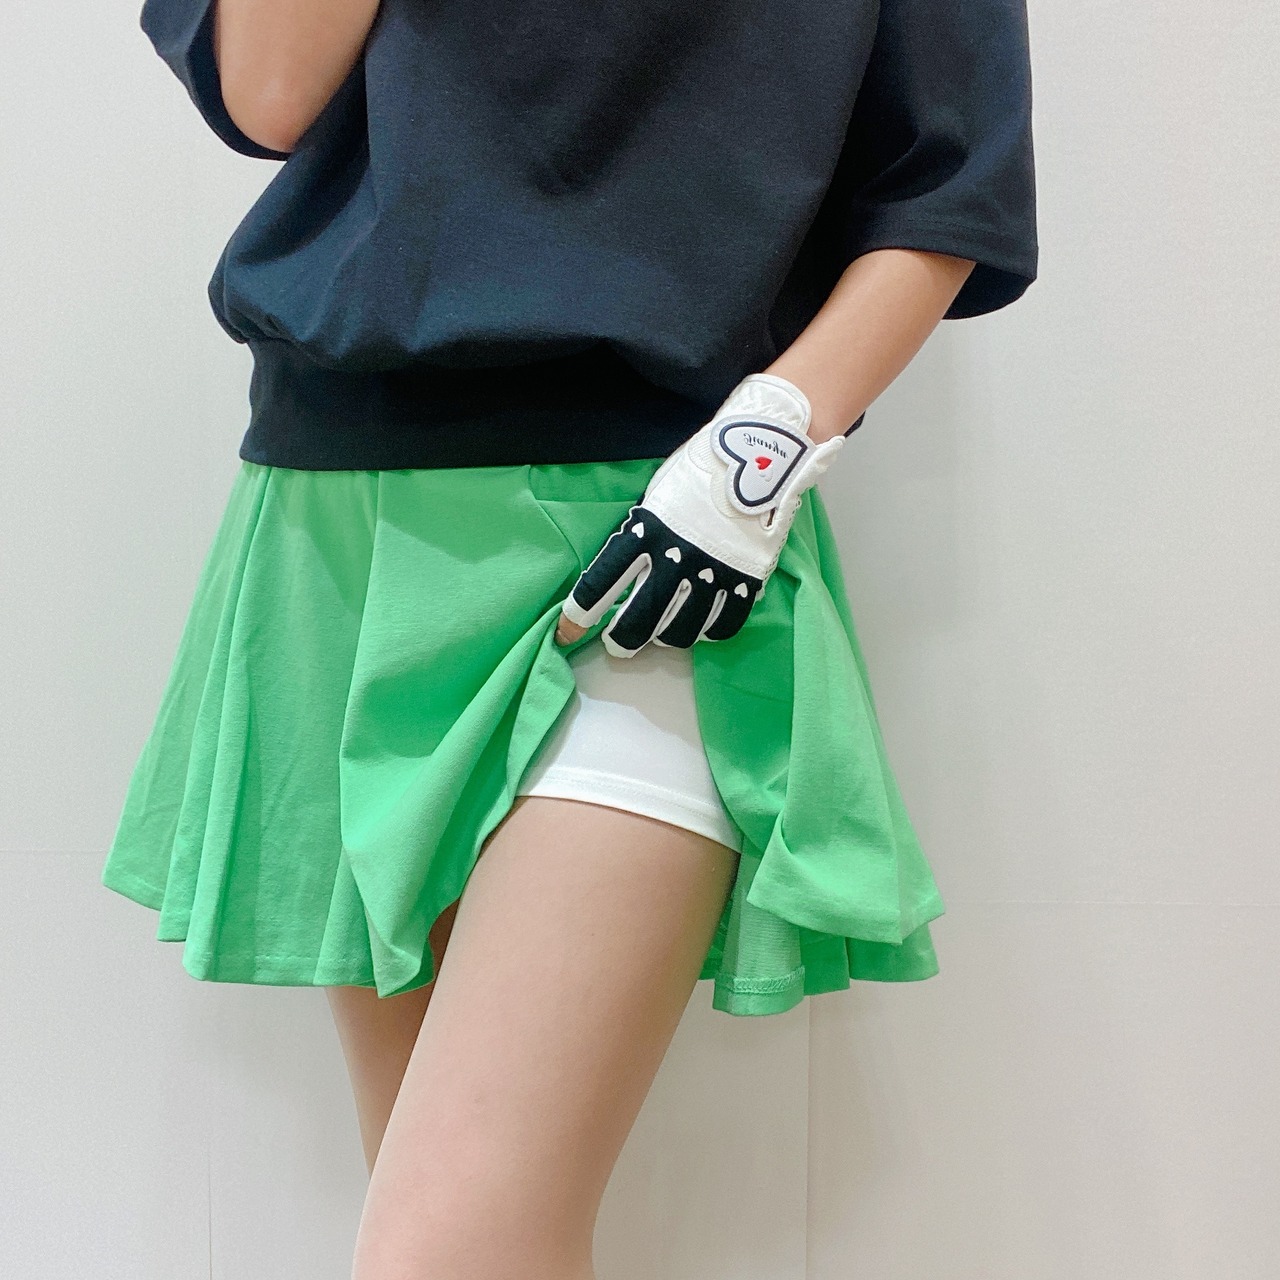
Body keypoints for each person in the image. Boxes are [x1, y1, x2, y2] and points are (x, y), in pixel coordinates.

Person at [102, 0, 1037, 1275]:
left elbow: (943, 191)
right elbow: (269, 90)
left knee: (443, 1246)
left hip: (662, 543)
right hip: (344, 528)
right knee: (470, 1233)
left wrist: (756, 452)